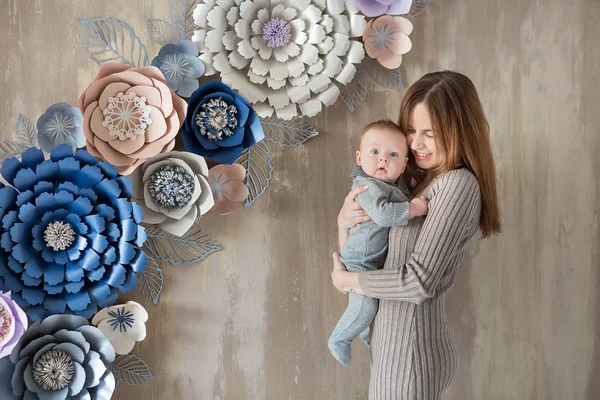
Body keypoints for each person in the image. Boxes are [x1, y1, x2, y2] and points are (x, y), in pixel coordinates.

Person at [331, 70, 501, 399]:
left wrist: (348, 282)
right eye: (411, 130)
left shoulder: (457, 185)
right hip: (395, 347)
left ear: (459, 132)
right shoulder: (418, 183)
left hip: (408, 354)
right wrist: (343, 223)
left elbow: (418, 281)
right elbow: (372, 256)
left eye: (430, 133)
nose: (416, 143)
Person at [328, 119, 429, 366]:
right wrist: (413, 209)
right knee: (365, 306)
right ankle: (339, 339)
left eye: (393, 154)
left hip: (371, 259)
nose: (383, 159)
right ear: (359, 158)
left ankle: (365, 333)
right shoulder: (369, 186)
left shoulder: (391, 184)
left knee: (368, 305)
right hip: (361, 261)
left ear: (405, 164)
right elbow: (384, 215)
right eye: (375, 152)